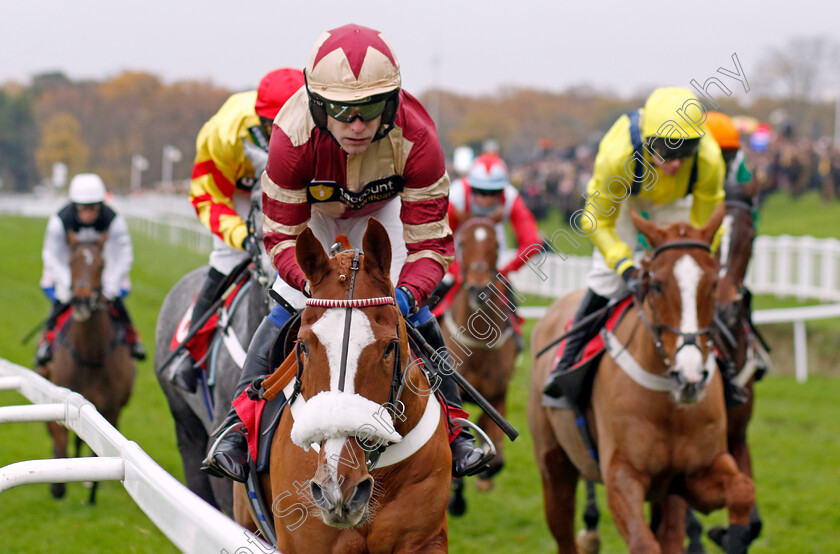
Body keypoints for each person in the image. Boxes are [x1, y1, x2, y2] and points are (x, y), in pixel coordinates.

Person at [201, 23, 487, 482]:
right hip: (313, 216)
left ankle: (455, 426)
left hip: (384, 213)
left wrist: (407, 296)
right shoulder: (291, 138)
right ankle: (239, 424)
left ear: (391, 103)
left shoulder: (419, 138)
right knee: (288, 303)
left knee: (413, 312)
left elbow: (431, 244)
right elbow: (280, 236)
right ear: (317, 105)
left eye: (370, 109)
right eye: (342, 111)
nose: (357, 125)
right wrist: (311, 285)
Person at [543, 87, 736, 401]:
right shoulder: (617, 153)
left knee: (689, 279)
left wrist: (697, 261)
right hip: (625, 200)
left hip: (675, 202)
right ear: (648, 143)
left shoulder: (709, 159)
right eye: (666, 151)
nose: (674, 164)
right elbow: (595, 220)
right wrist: (626, 267)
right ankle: (566, 362)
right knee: (606, 278)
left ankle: (726, 368)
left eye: (684, 152)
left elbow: (706, 227)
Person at [169, 68, 305, 392]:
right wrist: (242, 236)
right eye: (276, 126)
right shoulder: (223, 134)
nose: (286, 134)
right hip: (238, 192)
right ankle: (188, 351)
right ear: (262, 119)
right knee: (229, 256)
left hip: (291, 193)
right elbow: (207, 197)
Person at [432, 151, 541, 351]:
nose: (486, 199)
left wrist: (505, 271)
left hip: (492, 250)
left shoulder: (512, 198)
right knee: (430, 294)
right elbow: (439, 239)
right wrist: (457, 272)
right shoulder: (456, 195)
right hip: (458, 251)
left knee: (509, 298)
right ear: (470, 186)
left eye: (493, 193)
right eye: (480, 191)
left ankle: (514, 338)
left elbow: (532, 241)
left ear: (503, 190)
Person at [36, 173, 145, 365]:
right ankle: (47, 341)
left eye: (93, 208)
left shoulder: (113, 219)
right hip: (68, 268)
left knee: (116, 301)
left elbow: (122, 255)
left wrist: (110, 284)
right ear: (74, 206)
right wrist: (69, 283)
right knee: (61, 303)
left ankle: (132, 337)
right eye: (83, 208)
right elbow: (52, 256)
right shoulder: (60, 220)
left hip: (102, 265)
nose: (88, 213)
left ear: (100, 205)